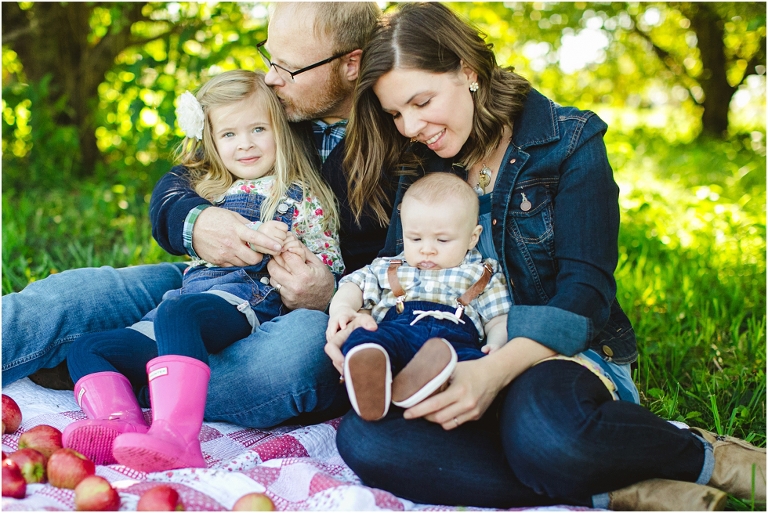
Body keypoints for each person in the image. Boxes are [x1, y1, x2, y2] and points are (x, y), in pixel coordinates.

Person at [326, 3, 766, 510]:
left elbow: (586, 295)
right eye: (396, 113)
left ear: (467, 71)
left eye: (421, 102)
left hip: (563, 360)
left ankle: (715, 460)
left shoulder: (570, 142)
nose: (410, 126)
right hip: (456, 350)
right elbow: (398, 266)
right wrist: (360, 312)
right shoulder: (420, 163)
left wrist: (492, 374)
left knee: (543, 430)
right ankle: (621, 486)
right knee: (366, 440)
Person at [2, 2, 382, 430]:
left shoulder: (402, 127)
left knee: (293, 360)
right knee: (71, 296)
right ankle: (128, 365)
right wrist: (199, 223)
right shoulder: (271, 104)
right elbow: (179, 183)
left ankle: (134, 382)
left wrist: (332, 292)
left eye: (288, 68)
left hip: (298, 313)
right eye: (269, 58)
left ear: (351, 64)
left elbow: (416, 259)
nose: (272, 77)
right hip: (198, 280)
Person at [62, 70, 345, 472]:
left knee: (180, 313)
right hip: (186, 307)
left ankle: (178, 437)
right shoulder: (210, 189)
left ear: (280, 131)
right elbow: (168, 204)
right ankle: (119, 426)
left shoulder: (301, 194)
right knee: (87, 349)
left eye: (258, 129)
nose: (245, 144)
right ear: (211, 141)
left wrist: (293, 251)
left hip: (243, 303)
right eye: (229, 135)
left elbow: (326, 266)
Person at [329, 173, 512, 421]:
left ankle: (426, 386)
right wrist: (342, 309)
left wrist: (497, 344)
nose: (427, 249)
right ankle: (374, 381)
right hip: (399, 331)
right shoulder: (390, 266)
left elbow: (498, 318)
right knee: (365, 339)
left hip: (453, 343)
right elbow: (354, 284)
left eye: (442, 239)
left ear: (473, 237)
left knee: (471, 363)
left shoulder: (481, 273)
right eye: (415, 238)